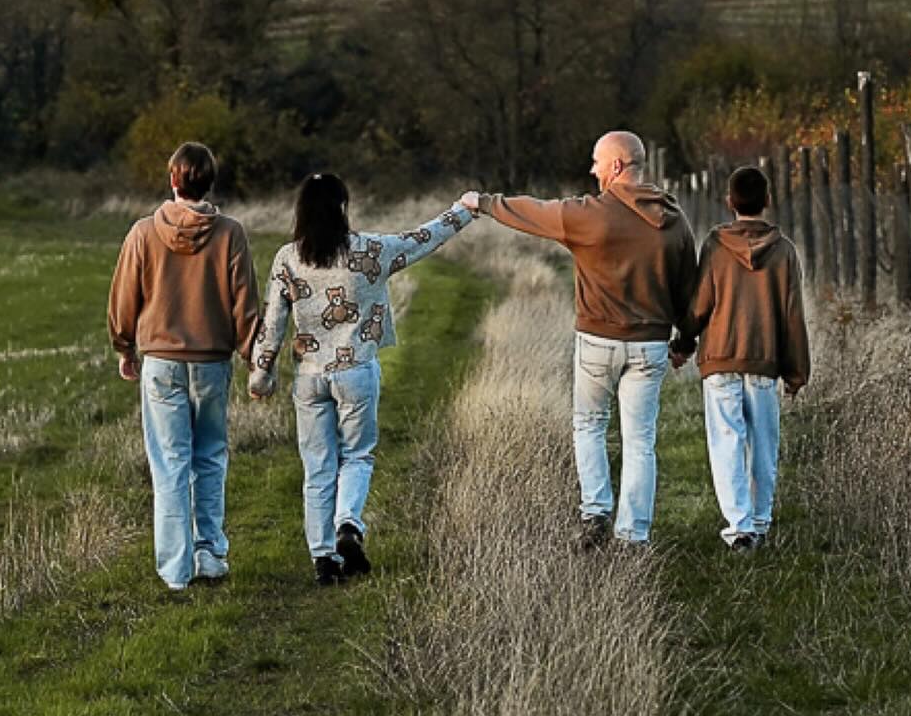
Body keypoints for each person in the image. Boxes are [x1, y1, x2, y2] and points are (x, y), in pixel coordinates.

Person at [464, 130, 697, 548]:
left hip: (597, 343)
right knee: (640, 440)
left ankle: (595, 515)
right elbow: (687, 288)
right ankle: (633, 536)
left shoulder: (589, 214)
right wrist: (685, 341)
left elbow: (534, 213)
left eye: (596, 162)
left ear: (616, 166)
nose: (591, 170)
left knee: (589, 425)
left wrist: (483, 203)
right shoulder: (674, 218)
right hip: (650, 345)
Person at [250, 174, 473, 584]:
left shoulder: (288, 258)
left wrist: (261, 371)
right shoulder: (372, 249)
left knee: (317, 469)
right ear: (342, 208)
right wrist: (464, 210)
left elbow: (272, 320)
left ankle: (323, 560)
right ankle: (348, 526)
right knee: (356, 456)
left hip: (310, 377)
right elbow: (423, 238)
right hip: (356, 373)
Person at [107, 140, 260, 595]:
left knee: (169, 464)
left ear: (173, 179)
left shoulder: (141, 233)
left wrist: (123, 347)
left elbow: (123, 298)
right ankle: (210, 552)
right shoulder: (231, 233)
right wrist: (255, 357)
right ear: (209, 181)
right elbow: (245, 302)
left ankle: (176, 569)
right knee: (210, 457)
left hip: (160, 363)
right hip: (212, 362)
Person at [672, 164, 810, 552]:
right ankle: (761, 522)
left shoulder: (715, 246)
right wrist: (796, 372)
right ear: (767, 200)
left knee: (727, 442)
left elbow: (700, 304)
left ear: (729, 201)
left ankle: (739, 527)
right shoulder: (783, 251)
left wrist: (683, 343)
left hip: (720, 360)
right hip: (764, 360)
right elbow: (792, 315)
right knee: (764, 444)